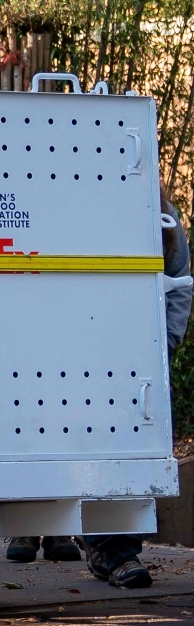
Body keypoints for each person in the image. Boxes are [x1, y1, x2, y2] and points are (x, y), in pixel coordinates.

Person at [76, 185, 191, 589]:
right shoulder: (85, 202)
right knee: (101, 446)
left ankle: (114, 549)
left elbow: (181, 282)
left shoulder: (164, 216)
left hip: (142, 358)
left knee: (135, 450)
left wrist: (167, 341)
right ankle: (112, 550)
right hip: (95, 355)